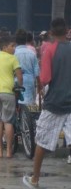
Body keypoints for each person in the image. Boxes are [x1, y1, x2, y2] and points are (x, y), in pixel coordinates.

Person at [23, 18, 71, 188]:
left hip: (54, 103)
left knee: (42, 142)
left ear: (51, 33)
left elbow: (45, 78)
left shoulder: (50, 50)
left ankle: (35, 179)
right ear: (67, 31)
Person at [14, 29, 40, 105]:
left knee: (16, 104)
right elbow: (37, 72)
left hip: (15, 81)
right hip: (30, 81)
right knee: (28, 107)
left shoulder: (13, 53)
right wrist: (39, 86)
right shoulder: (32, 53)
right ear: (26, 40)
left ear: (15, 40)